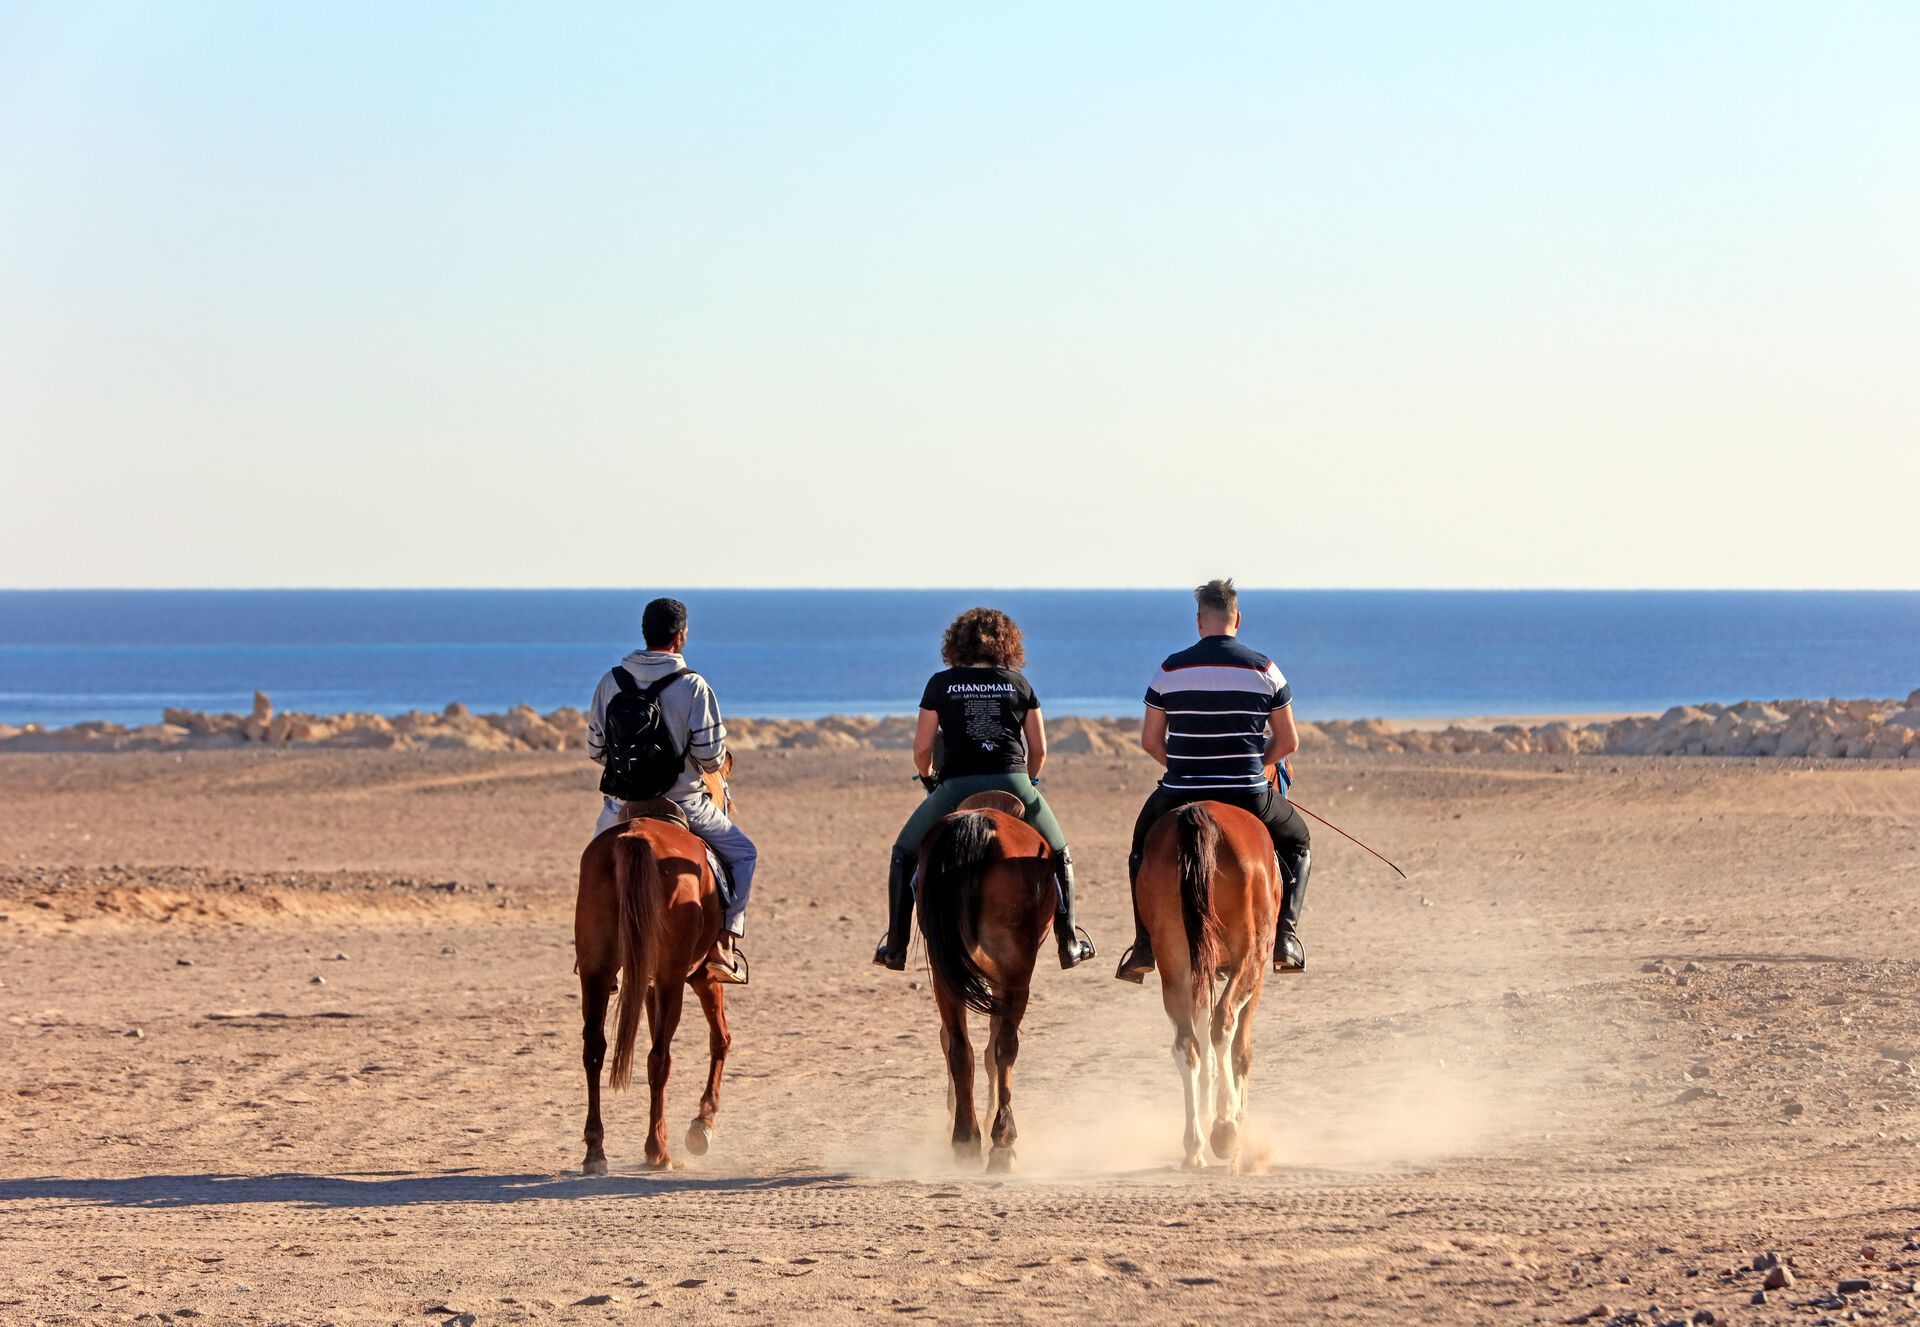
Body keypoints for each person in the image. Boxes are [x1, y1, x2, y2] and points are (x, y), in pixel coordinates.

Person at [873, 607, 1096, 972]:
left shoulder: (940, 684)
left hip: (956, 784)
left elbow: (921, 749)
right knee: (1059, 851)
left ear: (957, 643)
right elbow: (1039, 750)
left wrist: (929, 780)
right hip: (1013, 780)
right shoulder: (1019, 684)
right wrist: (1030, 782)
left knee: (904, 851)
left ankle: (896, 944)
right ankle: (1068, 941)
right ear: (1007, 643)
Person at [1114, 578, 1312, 983]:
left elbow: (1150, 741)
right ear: (1237, 619)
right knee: (1299, 842)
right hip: (1249, 794)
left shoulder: (1169, 669)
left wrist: (1183, 765)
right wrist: (1255, 766)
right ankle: (1286, 938)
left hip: (1180, 792)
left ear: (1199, 620)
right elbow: (1288, 740)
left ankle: (1144, 944)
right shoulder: (1265, 669)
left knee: (1140, 849)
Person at [587, 597, 755, 984]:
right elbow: (712, 759)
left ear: (645, 633)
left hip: (622, 807)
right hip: (683, 804)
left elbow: (596, 749)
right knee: (745, 854)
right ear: (680, 636)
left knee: (594, 865)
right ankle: (723, 946)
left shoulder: (611, 681)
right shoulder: (693, 686)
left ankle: (594, 954)